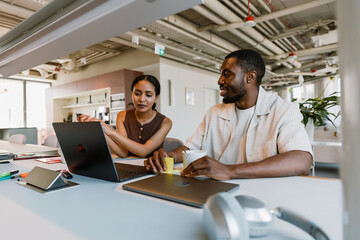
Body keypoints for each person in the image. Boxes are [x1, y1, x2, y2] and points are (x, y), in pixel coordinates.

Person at [146, 49, 313, 180]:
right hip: (216, 191)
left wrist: (229, 170)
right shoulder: (214, 113)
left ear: (250, 77)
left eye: (227, 74)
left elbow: (302, 160)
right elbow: (191, 147)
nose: (219, 80)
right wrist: (169, 156)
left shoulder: (283, 110)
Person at [79, 75, 172, 158]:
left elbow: (143, 152)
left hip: (154, 169)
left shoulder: (165, 122)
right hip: (129, 166)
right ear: (132, 94)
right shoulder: (122, 116)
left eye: (148, 95)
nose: (142, 99)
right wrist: (99, 129)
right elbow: (123, 153)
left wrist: (110, 131)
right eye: (137, 93)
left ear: (156, 97)